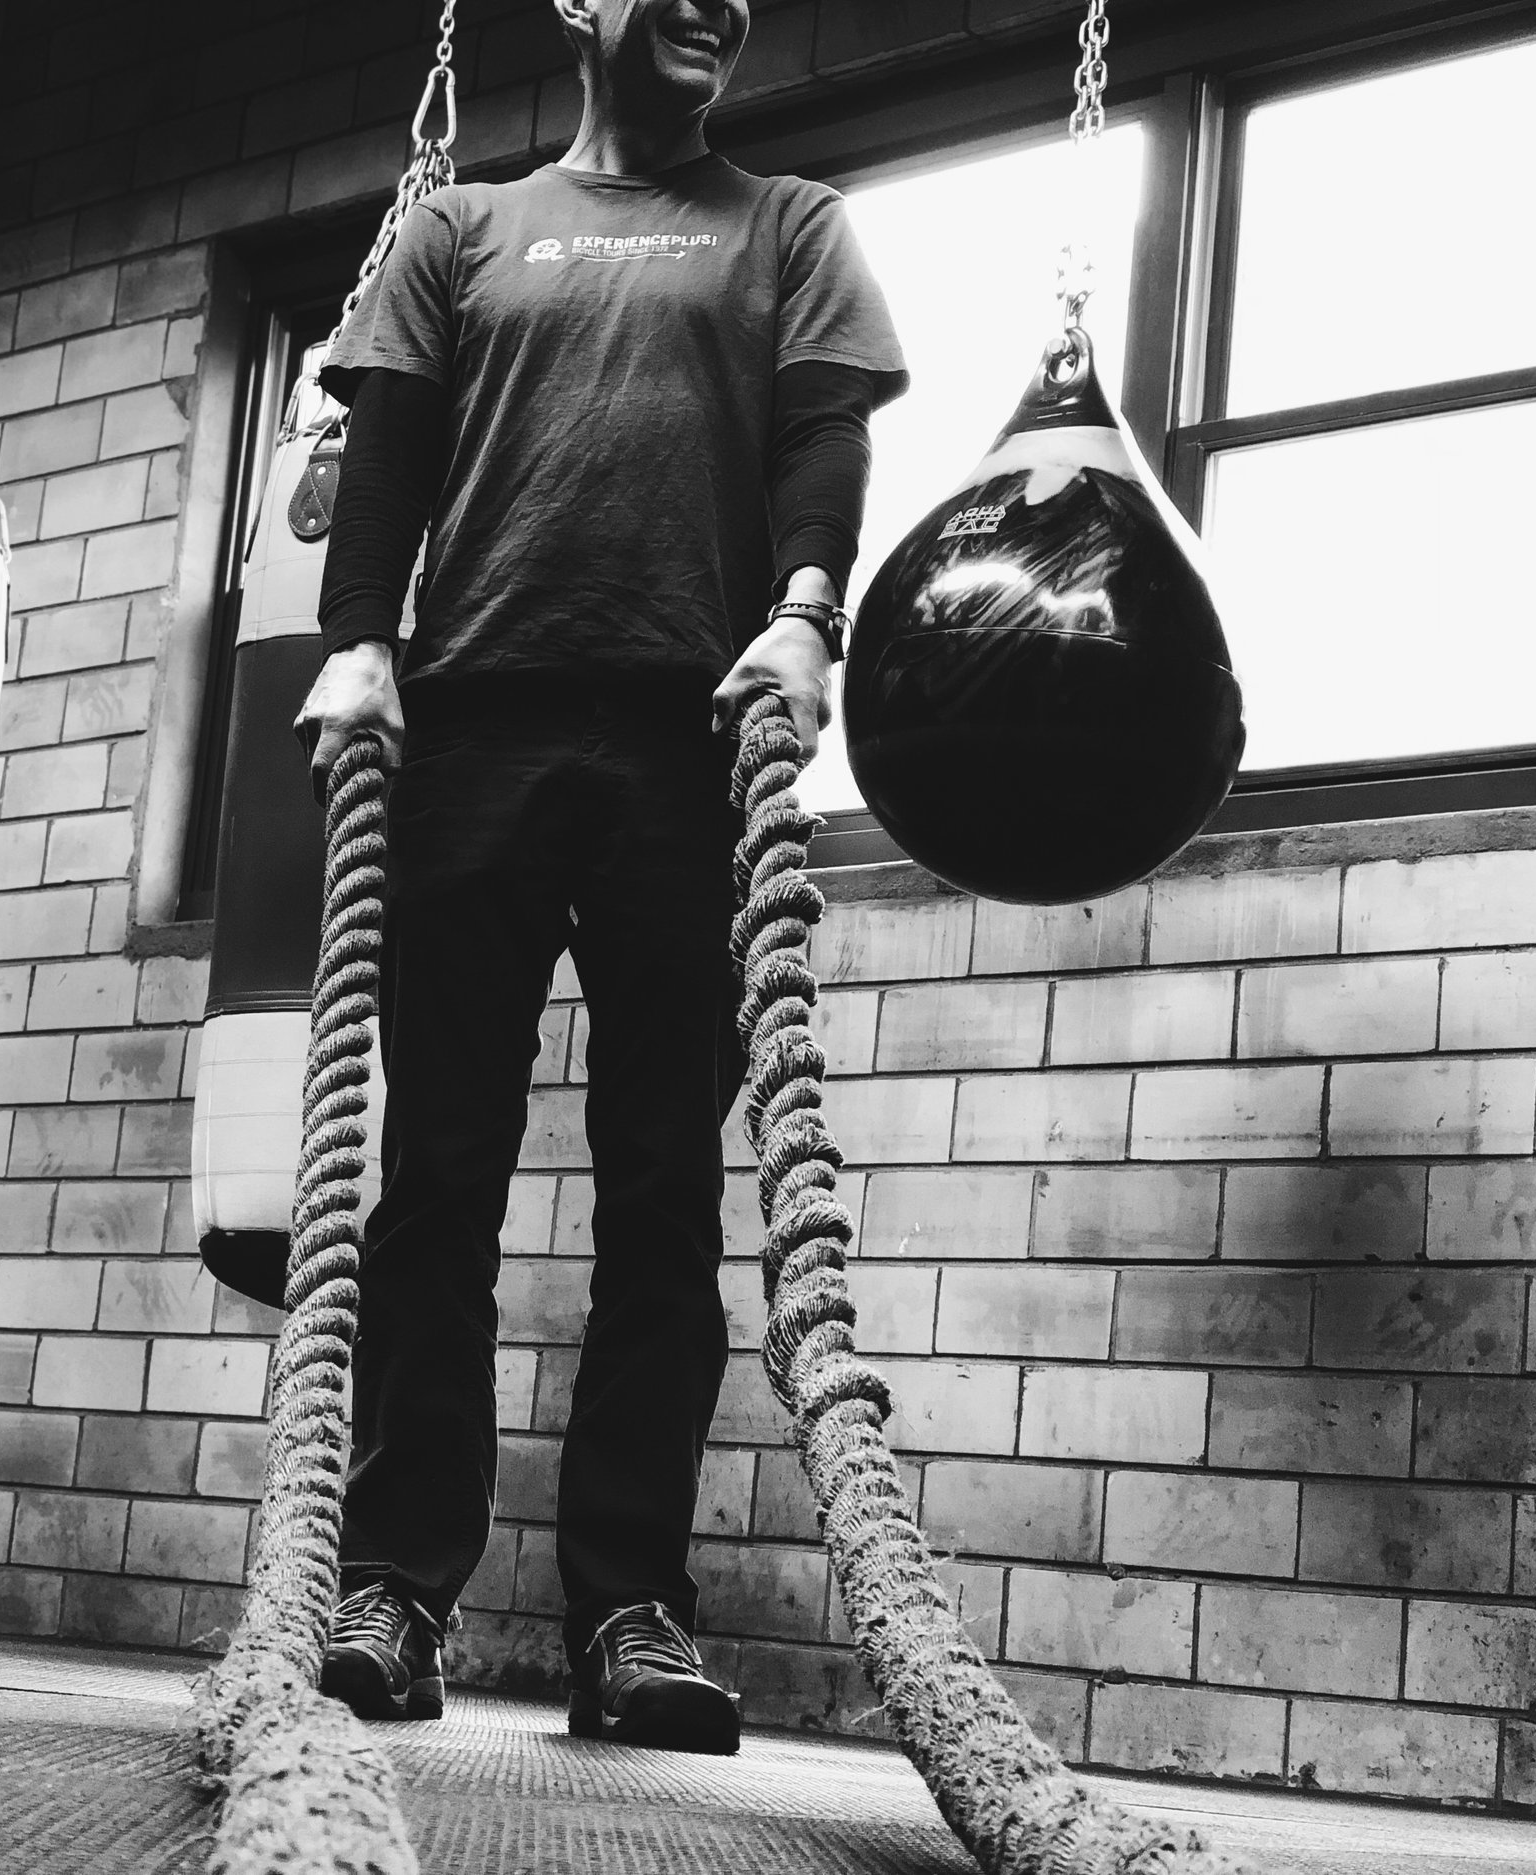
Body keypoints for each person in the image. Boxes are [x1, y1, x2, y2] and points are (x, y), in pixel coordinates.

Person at [293, 0, 907, 1756]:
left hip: (685, 743)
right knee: (435, 1188)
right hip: (476, 731)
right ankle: (396, 1585)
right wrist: (356, 646)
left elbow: (823, 438)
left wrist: (806, 617)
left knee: (664, 1203)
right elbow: (391, 450)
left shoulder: (791, 223)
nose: (720, 1)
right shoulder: (464, 225)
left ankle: (630, 1613)